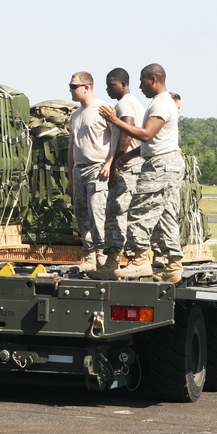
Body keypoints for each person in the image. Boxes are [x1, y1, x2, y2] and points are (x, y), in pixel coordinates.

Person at [99, 64, 185, 282]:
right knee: (165, 217)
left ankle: (139, 261)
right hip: (166, 162)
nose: (140, 86)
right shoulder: (161, 102)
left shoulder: (160, 103)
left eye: (142, 81)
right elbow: (154, 141)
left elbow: (146, 134)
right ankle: (174, 265)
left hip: (160, 166)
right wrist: (130, 155)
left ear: (154, 79)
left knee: (140, 210)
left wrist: (115, 121)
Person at [90, 68, 145, 280]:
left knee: (115, 212)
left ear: (123, 84)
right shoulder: (133, 103)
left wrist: (115, 166)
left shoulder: (124, 104)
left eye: (111, 84)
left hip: (127, 167)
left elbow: (125, 133)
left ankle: (112, 263)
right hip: (131, 165)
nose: (108, 89)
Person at [66, 71, 115, 272]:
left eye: (74, 86)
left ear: (87, 87)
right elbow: (71, 147)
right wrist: (69, 175)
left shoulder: (104, 109)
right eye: (70, 86)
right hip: (79, 169)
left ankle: (102, 257)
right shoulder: (75, 115)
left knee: (97, 213)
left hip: (98, 168)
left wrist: (109, 163)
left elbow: (118, 138)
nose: (70, 89)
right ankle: (89, 256)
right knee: (82, 214)